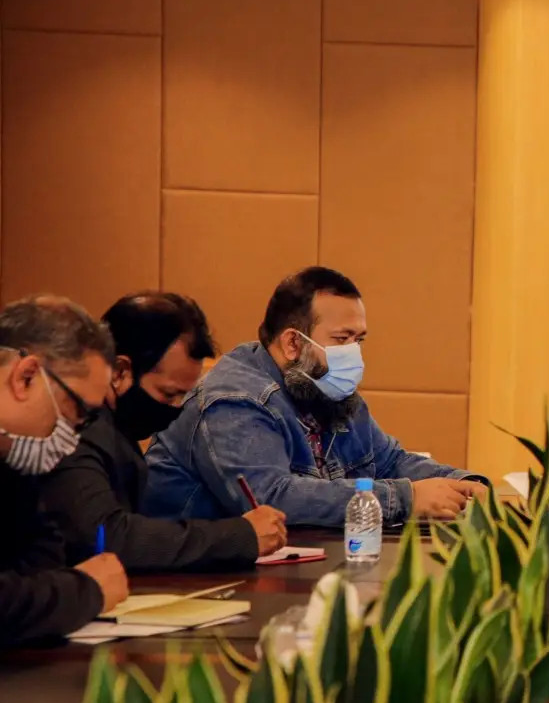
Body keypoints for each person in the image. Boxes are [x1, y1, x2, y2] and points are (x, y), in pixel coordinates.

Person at [144, 267, 488, 527]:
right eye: (342, 338)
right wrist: (404, 498)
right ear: (293, 343)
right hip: (192, 581)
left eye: (359, 340)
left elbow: (389, 460)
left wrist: (464, 484)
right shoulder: (233, 401)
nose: (354, 352)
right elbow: (272, 500)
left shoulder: (327, 389)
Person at [38, 293, 288, 571]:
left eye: (183, 396)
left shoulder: (116, 428)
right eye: (168, 394)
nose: (175, 408)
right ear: (120, 371)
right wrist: (239, 536)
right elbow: (107, 537)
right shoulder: (77, 428)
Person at [0, 296, 129, 644]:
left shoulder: (13, 460)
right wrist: (86, 590)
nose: (75, 435)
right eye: (79, 411)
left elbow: (45, 559)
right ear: (26, 377)